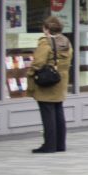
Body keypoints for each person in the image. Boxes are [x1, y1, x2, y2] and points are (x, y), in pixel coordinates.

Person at [29, 16, 73, 154]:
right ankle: (60, 144)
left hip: (47, 82)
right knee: (58, 111)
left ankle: (49, 145)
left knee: (47, 114)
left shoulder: (45, 43)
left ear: (47, 29)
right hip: (61, 81)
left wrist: (30, 73)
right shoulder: (66, 42)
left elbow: (38, 63)